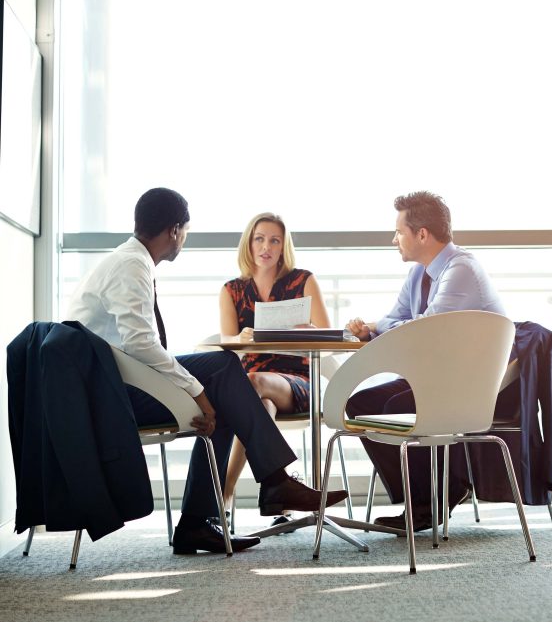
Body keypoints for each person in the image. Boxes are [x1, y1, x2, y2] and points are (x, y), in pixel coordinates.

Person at [67, 188, 347, 555]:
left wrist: (199, 389)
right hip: (114, 395)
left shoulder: (128, 261)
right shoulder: (131, 267)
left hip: (117, 382)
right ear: (174, 231)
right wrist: (195, 390)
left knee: (224, 384)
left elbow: (138, 347)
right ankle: (267, 485)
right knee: (221, 375)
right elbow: (140, 345)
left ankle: (205, 521)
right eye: (185, 231)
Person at [345, 191, 507, 532]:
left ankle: (433, 500)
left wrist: (377, 326)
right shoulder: (419, 274)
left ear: (422, 234)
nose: (394, 239)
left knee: (393, 406)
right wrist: (372, 330)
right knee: (360, 404)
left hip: (469, 387)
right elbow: (396, 322)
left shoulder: (461, 269)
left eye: (399, 232)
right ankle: (430, 495)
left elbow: (422, 329)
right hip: (434, 378)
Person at [219, 212, 331, 523]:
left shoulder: (303, 280)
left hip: (299, 381)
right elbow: (226, 342)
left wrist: (308, 329)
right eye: (259, 239)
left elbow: (328, 334)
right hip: (256, 386)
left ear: (283, 247)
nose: (266, 246)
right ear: (249, 244)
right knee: (260, 404)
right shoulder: (232, 290)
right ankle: (276, 491)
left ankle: (225, 491)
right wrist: (238, 337)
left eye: (274, 240)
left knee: (253, 385)